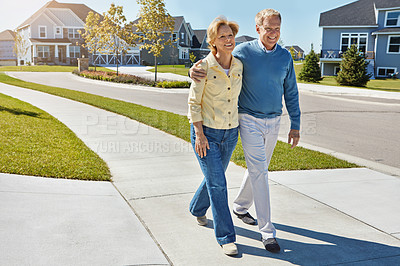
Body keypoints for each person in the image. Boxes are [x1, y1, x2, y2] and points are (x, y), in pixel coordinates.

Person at [190, 9, 301, 253]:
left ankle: (232, 207)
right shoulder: (243, 51)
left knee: (252, 171)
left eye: (277, 29)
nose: (273, 34)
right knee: (252, 173)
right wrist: (193, 71)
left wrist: (296, 123)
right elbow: (214, 59)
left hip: (260, 123)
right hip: (244, 120)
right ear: (258, 28)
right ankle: (262, 233)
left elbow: (291, 91)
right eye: (268, 28)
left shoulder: (283, 57)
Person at [187, 16, 243, 256]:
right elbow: (193, 103)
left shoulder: (239, 65)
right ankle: (226, 237)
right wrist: (199, 134)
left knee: (214, 179)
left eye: (230, 35)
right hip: (206, 133)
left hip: (231, 133)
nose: (228, 39)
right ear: (213, 41)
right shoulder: (202, 68)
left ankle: (196, 208)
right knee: (219, 184)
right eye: (222, 36)